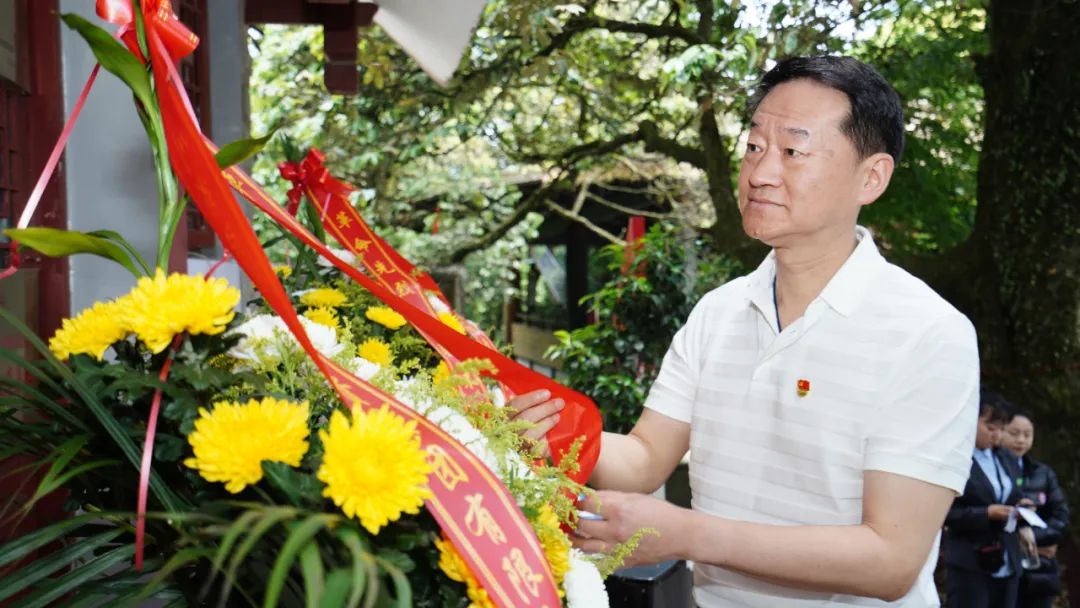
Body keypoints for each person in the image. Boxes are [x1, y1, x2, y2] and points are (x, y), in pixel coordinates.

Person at [511, 55, 980, 606]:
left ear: (871, 177)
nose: (760, 172)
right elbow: (643, 459)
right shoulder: (718, 312)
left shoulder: (929, 333)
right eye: (755, 146)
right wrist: (549, 428)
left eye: (793, 151)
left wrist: (688, 534)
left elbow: (890, 560)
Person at [941, 391, 1024, 608]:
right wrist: (985, 513)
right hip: (969, 560)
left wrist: (1022, 507)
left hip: (1006, 556)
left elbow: (1015, 494)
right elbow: (944, 512)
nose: (997, 435)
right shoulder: (955, 457)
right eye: (990, 428)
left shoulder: (1006, 458)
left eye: (1002, 429)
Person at [1002, 410, 1070, 608]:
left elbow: (1061, 516)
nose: (1021, 440)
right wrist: (1017, 543)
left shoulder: (1043, 473)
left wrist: (1034, 538)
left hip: (1039, 570)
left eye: (1027, 434)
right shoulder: (988, 472)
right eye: (1014, 433)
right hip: (999, 565)